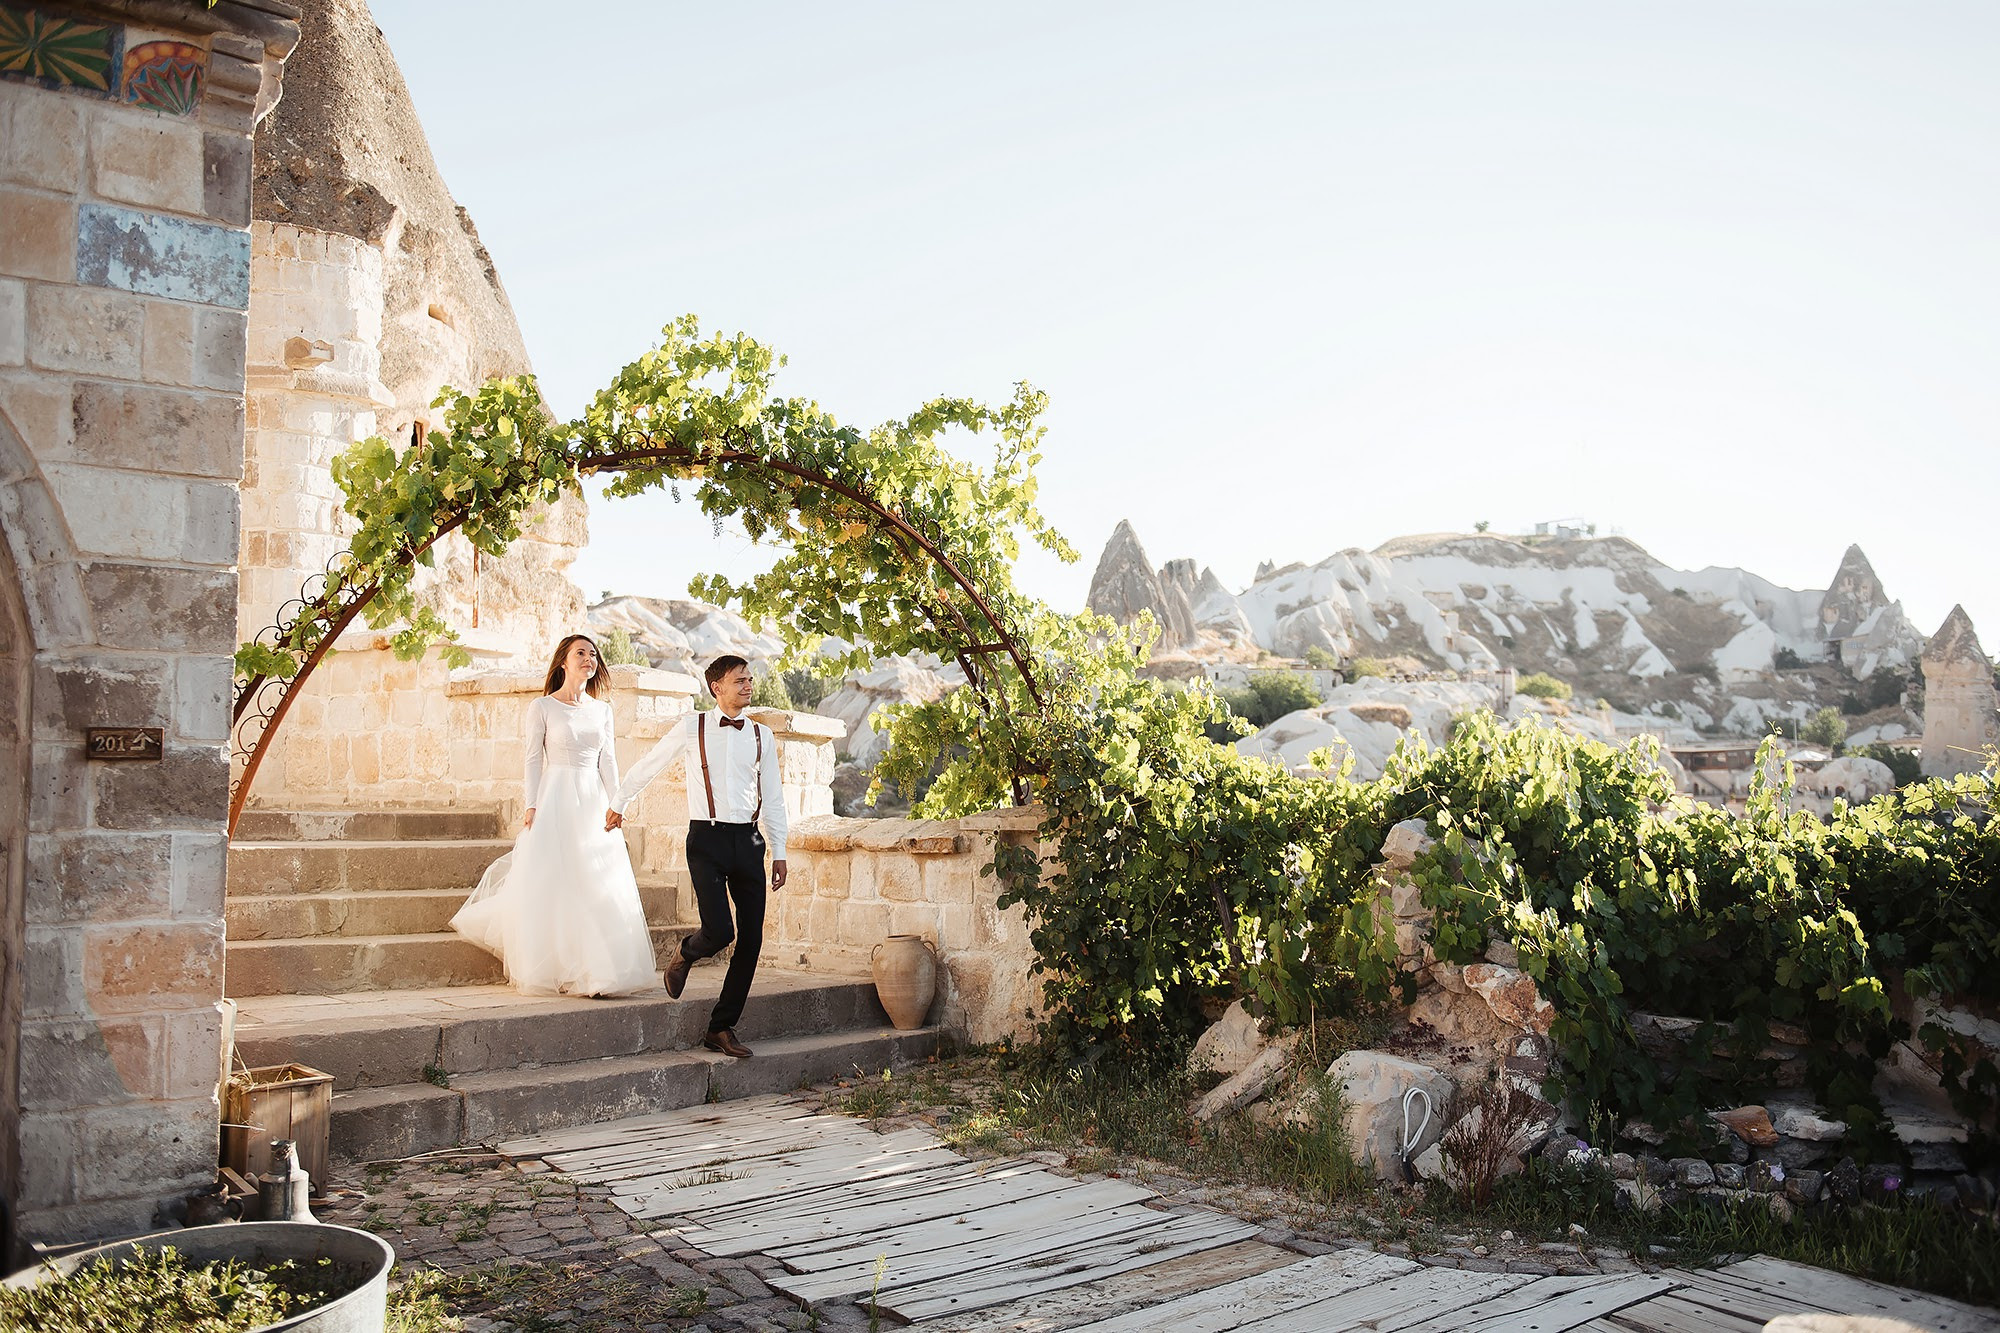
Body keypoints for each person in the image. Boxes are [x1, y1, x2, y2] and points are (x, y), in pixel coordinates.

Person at [451, 634, 659, 997]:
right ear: (563, 661)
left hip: (592, 801)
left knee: (596, 879)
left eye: (593, 654)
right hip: (556, 797)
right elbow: (533, 759)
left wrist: (618, 803)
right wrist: (531, 805)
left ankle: (599, 972)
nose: (588, 659)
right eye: (581, 653)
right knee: (557, 879)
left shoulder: (602, 710)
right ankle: (560, 968)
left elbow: (607, 760)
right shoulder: (543, 707)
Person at [605, 655, 787, 1059]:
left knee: (752, 939)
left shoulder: (761, 736)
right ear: (716, 687)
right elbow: (649, 765)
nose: (748, 684)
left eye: (749, 679)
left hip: (749, 842)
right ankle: (686, 953)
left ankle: (721, 1028)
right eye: (739, 680)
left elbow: (773, 797)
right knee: (720, 931)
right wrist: (620, 802)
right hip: (706, 840)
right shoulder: (694, 727)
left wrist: (780, 850)